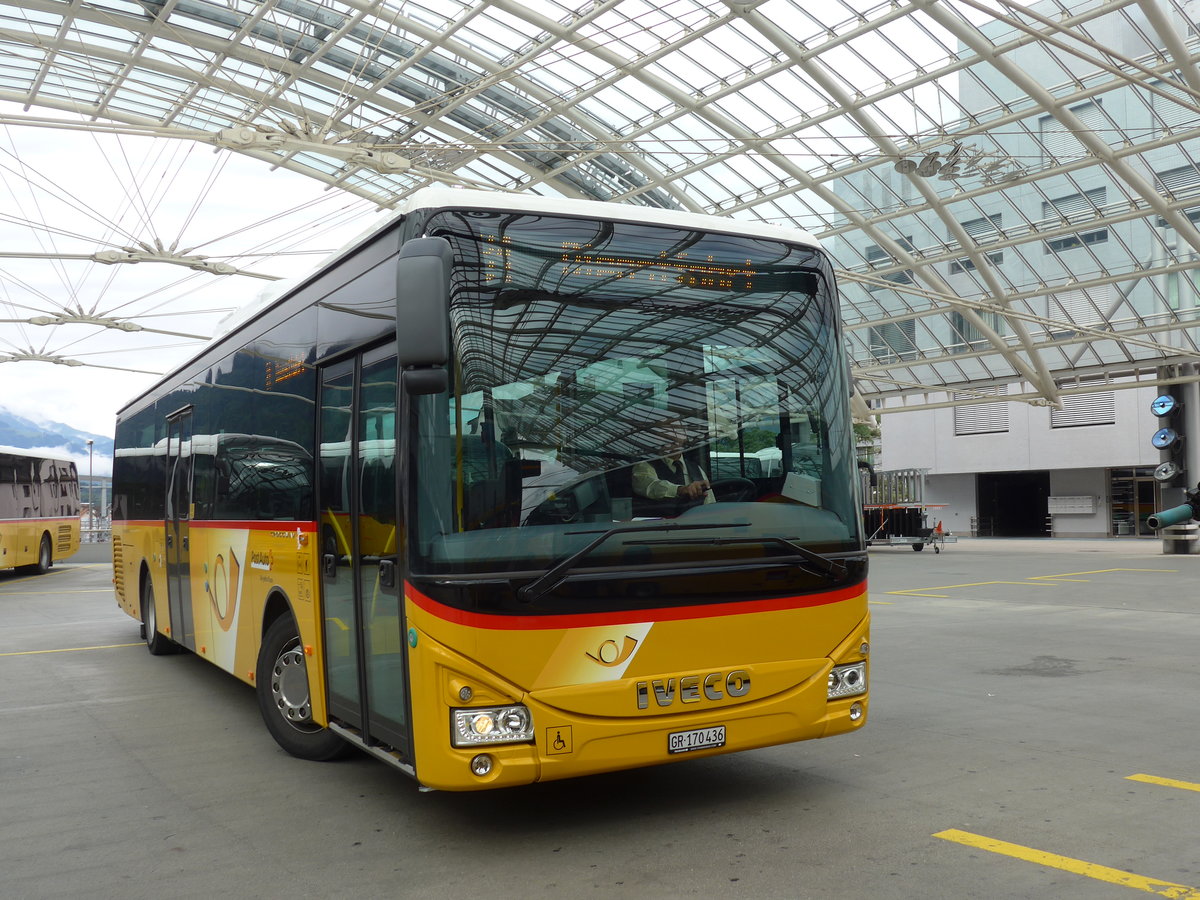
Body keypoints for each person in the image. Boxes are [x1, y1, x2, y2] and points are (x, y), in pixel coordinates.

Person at [631, 416, 715, 516]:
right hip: (661, 528)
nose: (672, 435)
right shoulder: (644, 466)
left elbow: (710, 505)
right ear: (657, 438)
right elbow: (652, 486)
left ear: (685, 436)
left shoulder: (696, 469)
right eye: (666, 431)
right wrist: (680, 490)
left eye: (677, 430)